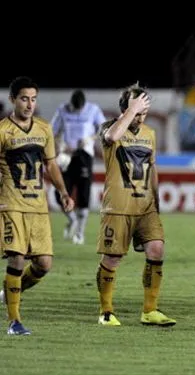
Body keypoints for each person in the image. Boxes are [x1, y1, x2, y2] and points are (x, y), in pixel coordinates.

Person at [95, 84, 176, 327]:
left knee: (157, 250)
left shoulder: (150, 133)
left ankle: (149, 310)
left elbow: (153, 168)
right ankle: (106, 311)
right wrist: (131, 110)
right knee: (112, 258)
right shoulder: (109, 128)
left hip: (146, 206)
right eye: (136, 110)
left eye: (143, 111)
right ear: (125, 109)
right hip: (117, 206)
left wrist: (157, 199)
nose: (140, 117)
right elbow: (112, 137)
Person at [0, 76, 75, 335]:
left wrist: (64, 192)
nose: (29, 104)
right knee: (17, 258)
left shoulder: (43, 128)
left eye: (33, 99)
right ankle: (14, 321)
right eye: (24, 98)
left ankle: (8, 292)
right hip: (11, 204)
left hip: (38, 205)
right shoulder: (2, 131)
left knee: (43, 264)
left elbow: (51, 164)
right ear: (12, 100)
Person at [51, 89, 106, 245]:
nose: (76, 111)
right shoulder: (62, 110)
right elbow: (52, 131)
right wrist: (60, 143)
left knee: (83, 194)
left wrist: (90, 138)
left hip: (84, 155)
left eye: (79, 109)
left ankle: (80, 234)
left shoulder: (93, 110)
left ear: (83, 105)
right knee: (59, 193)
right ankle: (72, 220)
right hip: (67, 157)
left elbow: (103, 128)